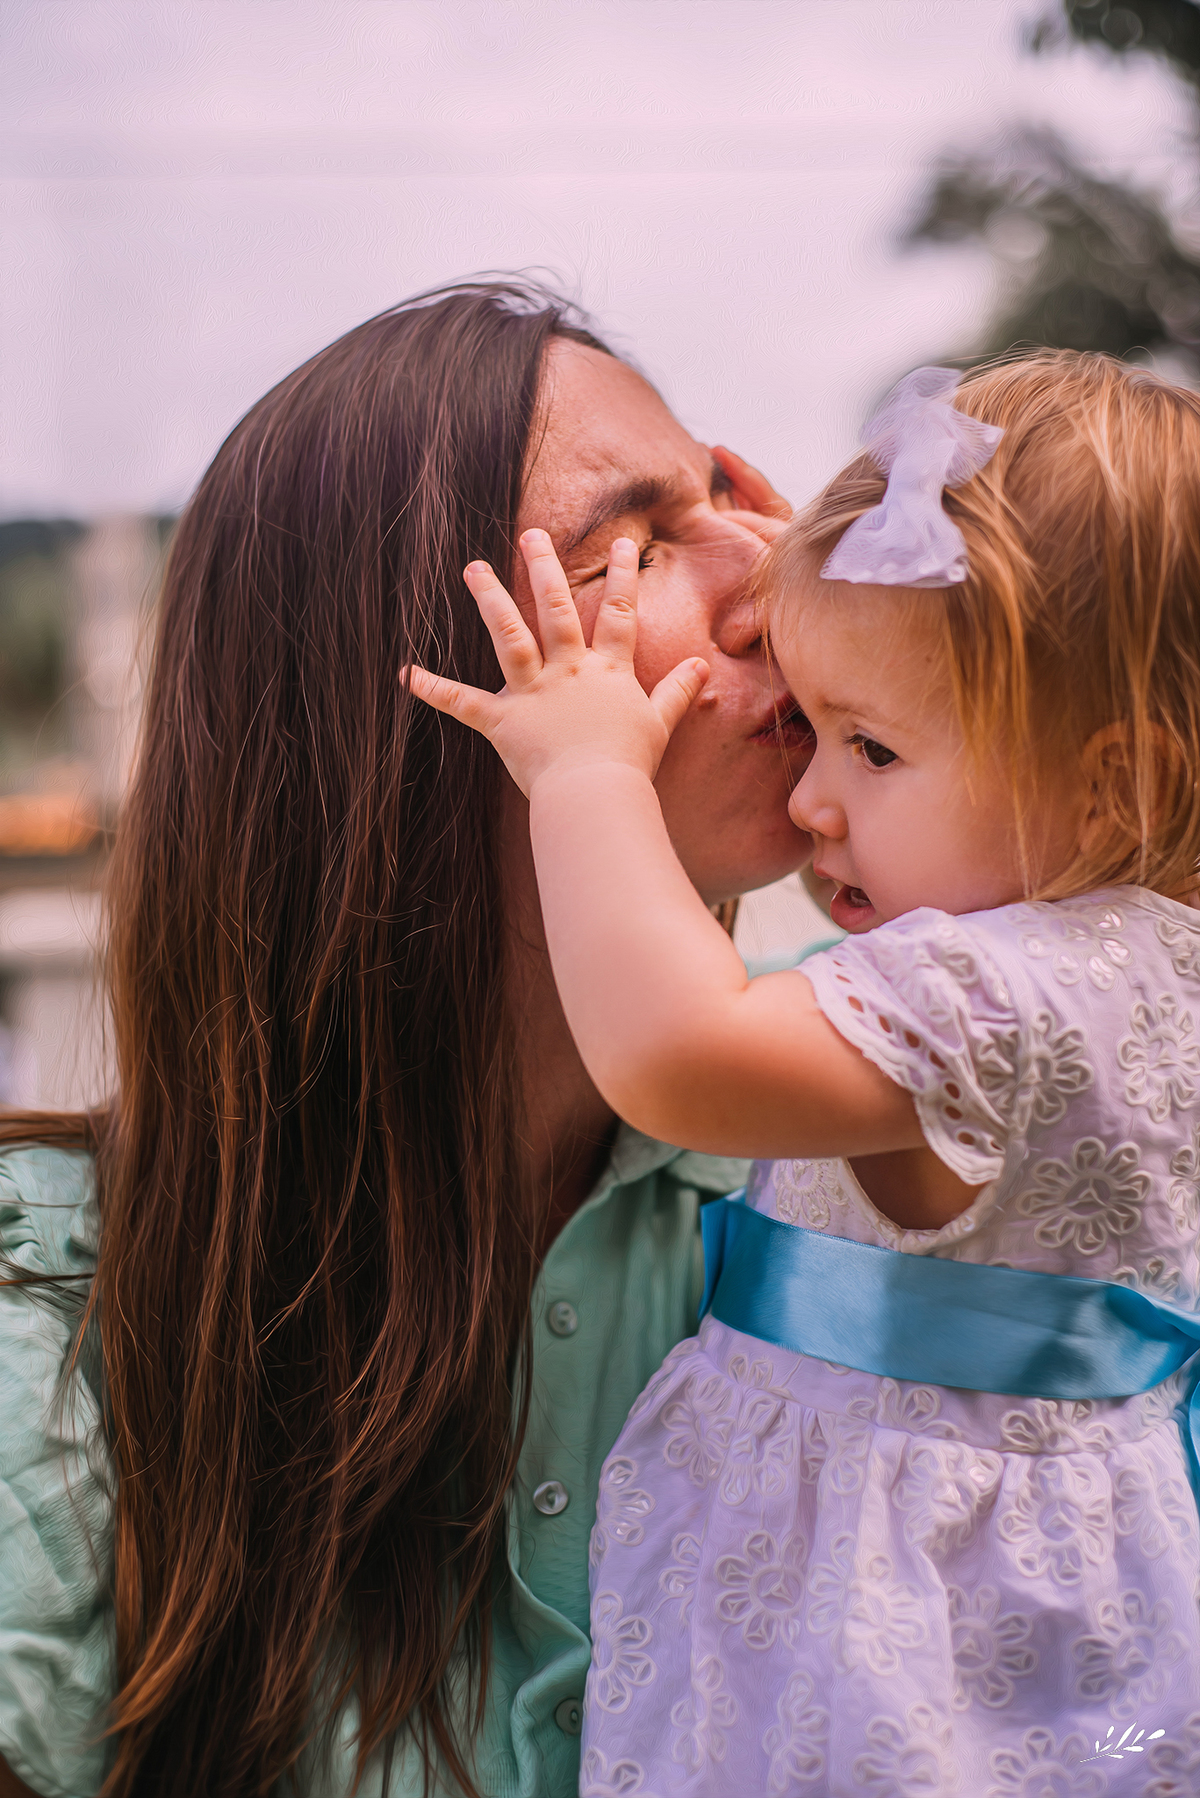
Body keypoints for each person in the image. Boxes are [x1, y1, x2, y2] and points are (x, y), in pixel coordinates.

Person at [0, 282, 820, 1798]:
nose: (775, 581)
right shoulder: (49, 1323)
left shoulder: (873, 1155)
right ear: (403, 707)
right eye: (638, 548)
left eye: (731, 503)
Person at [410, 351, 1200, 1795]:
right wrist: (842, 607)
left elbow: (678, 1053)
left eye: (872, 744)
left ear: (1113, 785)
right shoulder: (1133, 961)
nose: (813, 794)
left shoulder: (999, 989)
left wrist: (586, 772)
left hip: (907, 1651)